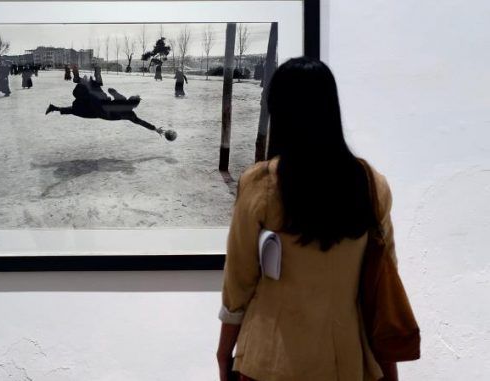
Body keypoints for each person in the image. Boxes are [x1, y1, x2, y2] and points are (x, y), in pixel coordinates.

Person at [217, 57, 402, 381]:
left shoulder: (262, 184)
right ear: (331, 109)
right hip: (346, 359)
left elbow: (239, 281)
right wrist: (389, 367)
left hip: (267, 358)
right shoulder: (371, 185)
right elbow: (383, 277)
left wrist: (223, 351)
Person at [45, 68, 176, 141]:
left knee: (90, 92)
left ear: (131, 99)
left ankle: (81, 80)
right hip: (101, 114)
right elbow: (141, 122)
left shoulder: (123, 100)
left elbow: (110, 90)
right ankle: (55, 108)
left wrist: (115, 93)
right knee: (78, 110)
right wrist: (155, 129)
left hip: (100, 107)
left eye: (134, 96)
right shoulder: (131, 114)